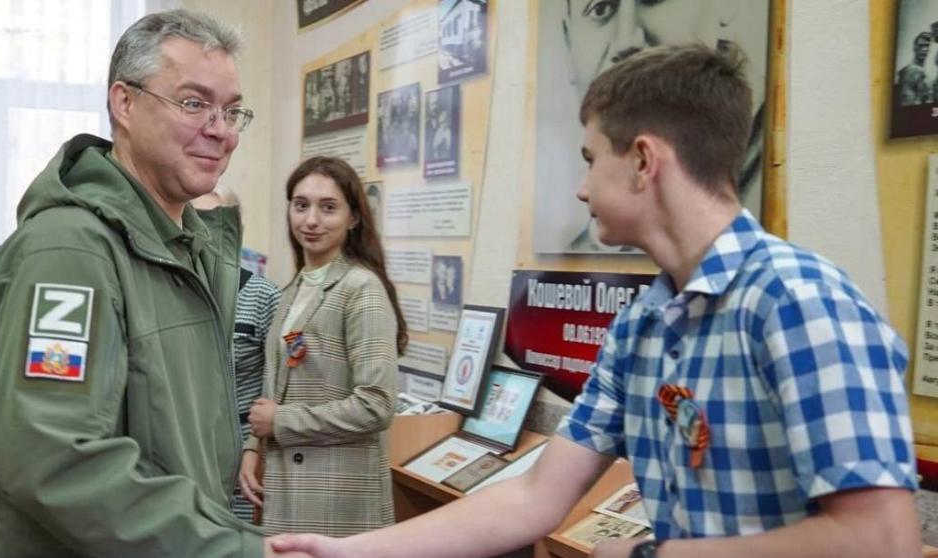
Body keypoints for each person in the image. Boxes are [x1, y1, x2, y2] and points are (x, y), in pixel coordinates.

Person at [268, 45, 921, 558]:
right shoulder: (643, 326)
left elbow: (879, 540)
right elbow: (533, 495)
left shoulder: (798, 301)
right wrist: (352, 550)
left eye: (589, 159)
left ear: (643, 161)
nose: (581, 188)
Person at [0, 10, 284, 557]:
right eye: (194, 103)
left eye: (231, 111)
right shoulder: (68, 251)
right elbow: (54, 458)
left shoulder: (189, 248)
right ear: (124, 103)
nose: (221, 130)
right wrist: (236, 550)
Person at [238, 156, 407, 538]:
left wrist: (280, 422)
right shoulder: (294, 289)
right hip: (287, 484)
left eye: (328, 207)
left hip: (336, 496)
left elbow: (377, 405)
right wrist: (253, 446)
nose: (311, 220)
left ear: (353, 217)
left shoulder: (360, 289)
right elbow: (278, 387)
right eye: (301, 205)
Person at [540, 0, 768, 253]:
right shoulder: (674, 276)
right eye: (600, 8)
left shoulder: (782, 281)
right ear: (568, 40)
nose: (626, 41)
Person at [192, 186, 282, 524]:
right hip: (186, 448)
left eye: (214, 220)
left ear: (236, 227)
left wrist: (254, 448)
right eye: (195, 219)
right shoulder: (171, 290)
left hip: (243, 453)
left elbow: (281, 380)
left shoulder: (264, 296)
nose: (205, 231)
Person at [897, 31, 933, 106]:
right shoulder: (910, 71)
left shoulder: (926, 73)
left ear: (929, 49)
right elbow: (907, 103)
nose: (924, 49)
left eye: (927, 45)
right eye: (921, 46)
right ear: (914, 48)